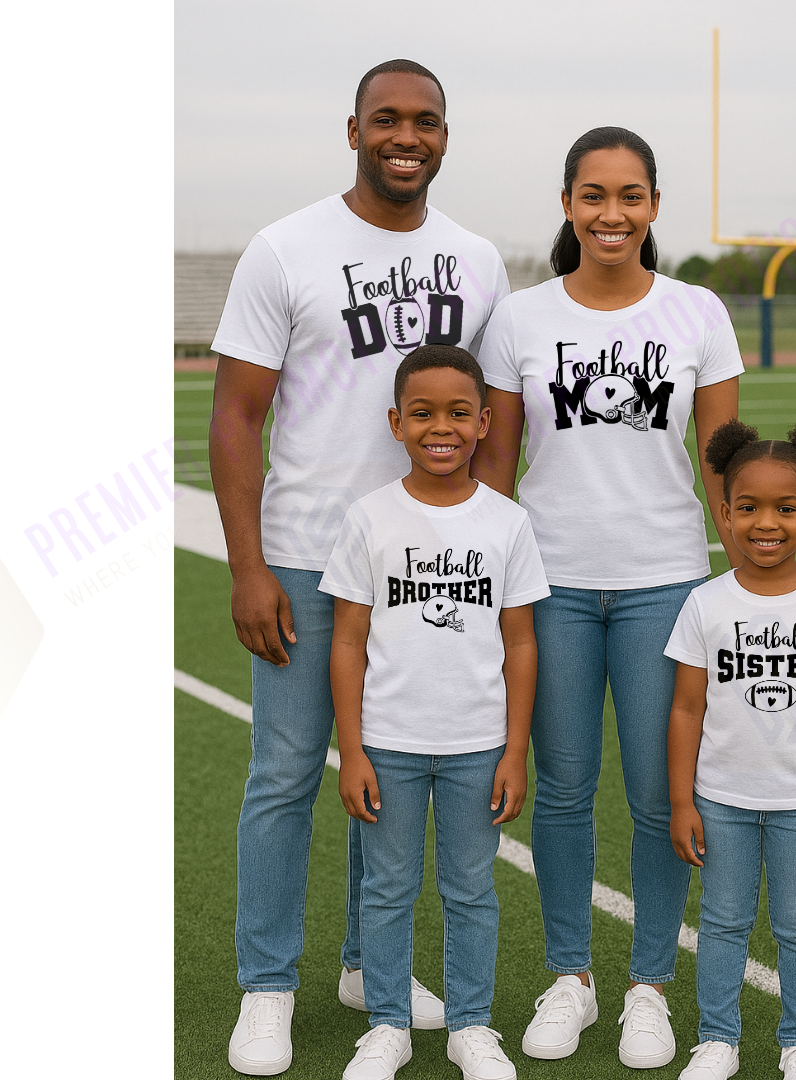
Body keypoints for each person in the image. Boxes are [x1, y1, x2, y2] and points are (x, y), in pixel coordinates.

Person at [209, 60, 511, 1076]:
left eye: (426, 121)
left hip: (429, 568)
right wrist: (248, 566)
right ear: (352, 130)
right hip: (304, 559)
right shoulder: (284, 247)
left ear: (445, 136)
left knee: (382, 772)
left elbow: (492, 418)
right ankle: (266, 984)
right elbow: (237, 415)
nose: (407, 136)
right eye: (388, 119)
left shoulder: (475, 259)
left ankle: (359, 966)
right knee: (288, 774)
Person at [472, 126, 744, 1070]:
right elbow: (496, 470)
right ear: (568, 204)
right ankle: (570, 977)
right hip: (548, 583)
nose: (612, 214)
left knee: (662, 793)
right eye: (594, 195)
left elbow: (725, 471)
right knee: (564, 789)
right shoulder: (518, 318)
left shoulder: (699, 312)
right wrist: (480, 588)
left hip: (664, 582)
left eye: (630, 196)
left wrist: (749, 586)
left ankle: (648, 989)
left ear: (655, 207)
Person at [319, 346, 550, 1080]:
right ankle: (387, 1023)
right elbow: (348, 641)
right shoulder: (368, 518)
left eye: (457, 413)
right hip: (387, 741)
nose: (439, 428)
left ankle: (471, 1025)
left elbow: (520, 642)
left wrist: (515, 751)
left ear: (485, 423)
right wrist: (351, 750)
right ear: (395, 422)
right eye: (422, 413)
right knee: (385, 888)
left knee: (471, 888)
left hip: (477, 744)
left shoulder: (508, 522)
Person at [664, 420, 796, 1080]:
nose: (765, 524)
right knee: (722, 923)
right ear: (724, 512)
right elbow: (687, 708)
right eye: (747, 507)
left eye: (785, 509)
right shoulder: (704, 604)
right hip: (720, 801)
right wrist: (680, 802)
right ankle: (717, 1040)